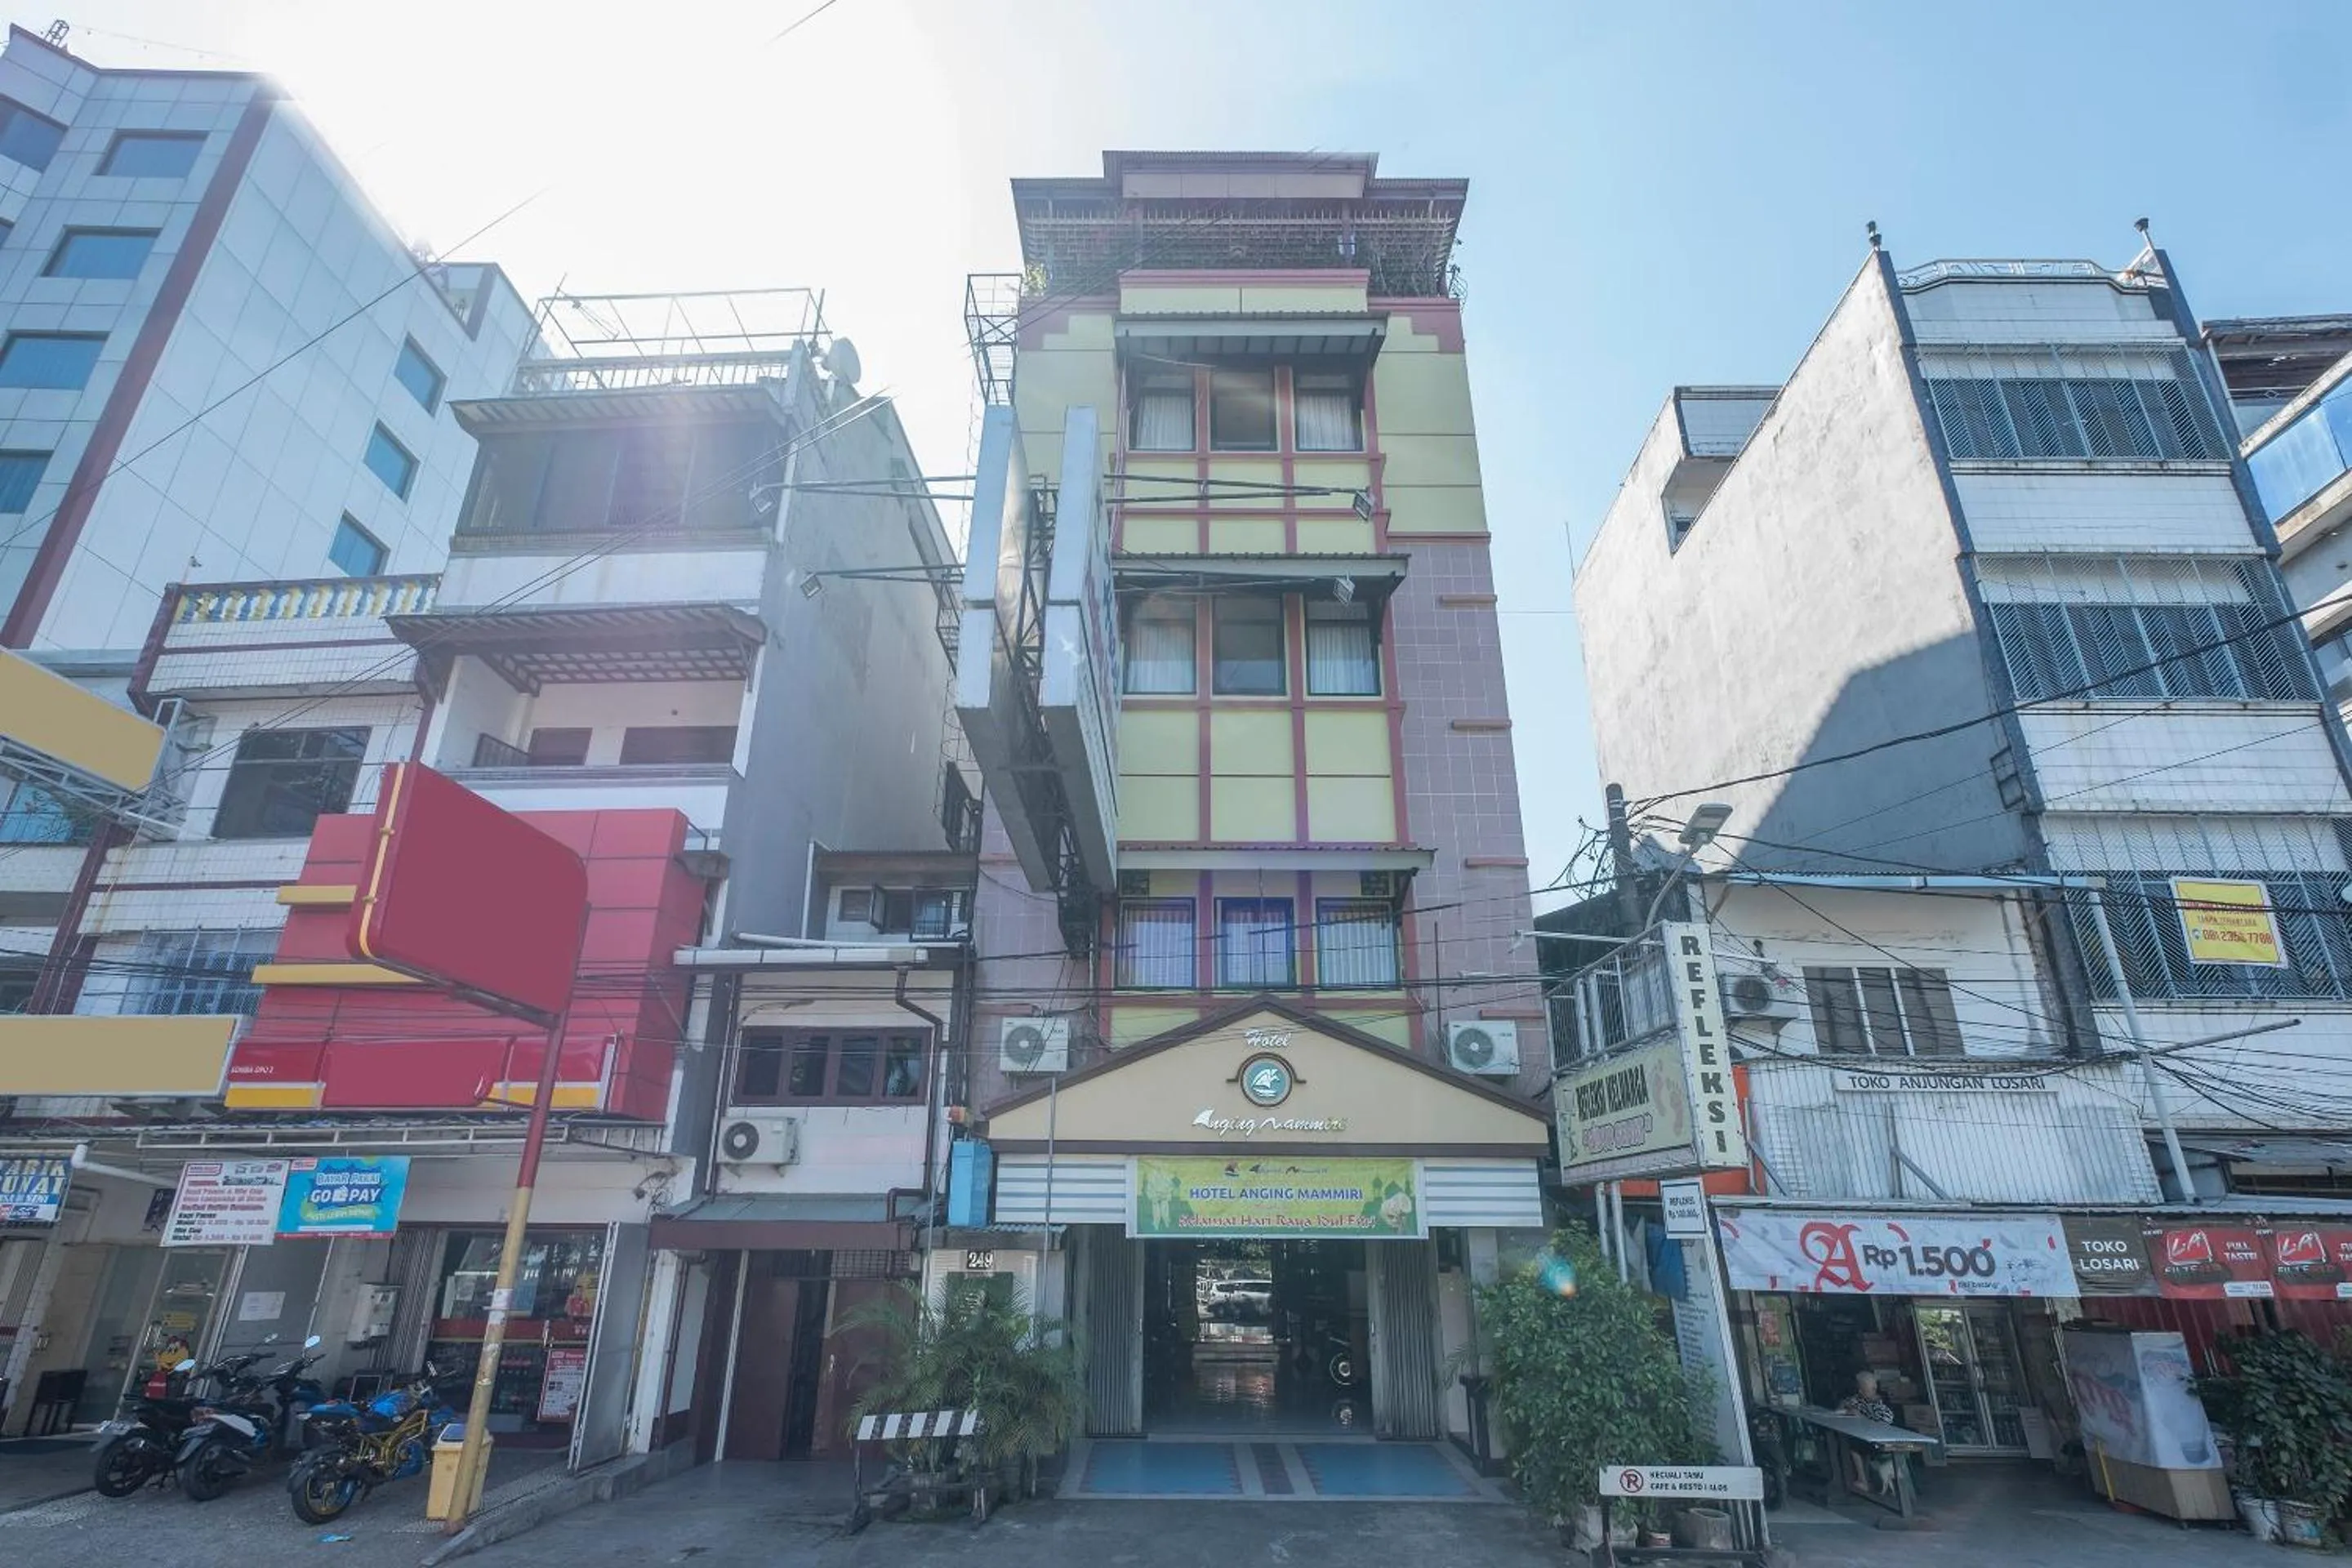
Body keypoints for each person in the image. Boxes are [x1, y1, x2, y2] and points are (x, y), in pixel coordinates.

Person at [1837, 1371, 1900, 1494]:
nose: (1861, 1393)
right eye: (1860, 1389)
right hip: (1867, 1436)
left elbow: (1882, 1423)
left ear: (1874, 1388)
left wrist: (1861, 1417)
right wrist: (1845, 1405)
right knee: (1848, 1441)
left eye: (1866, 1390)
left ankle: (1863, 1481)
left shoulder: (1882, 1404)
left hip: (1883, 1439)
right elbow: (1842, 1407)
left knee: (1853, 1446)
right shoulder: (1860, 1398)